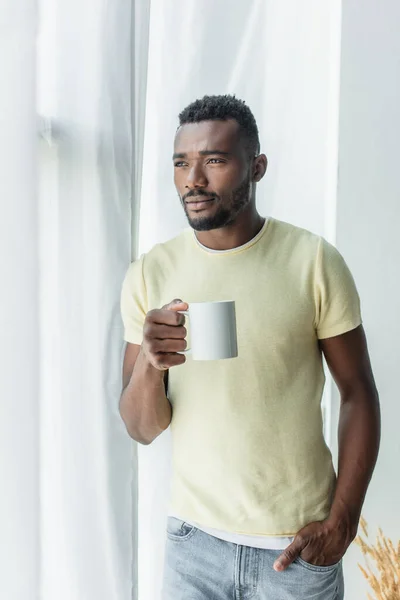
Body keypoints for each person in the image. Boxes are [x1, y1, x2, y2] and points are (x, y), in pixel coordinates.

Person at [119, 95, 381, 600]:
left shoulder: (313, 262)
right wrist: (152, 365)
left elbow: (357, 393)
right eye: (181, 162)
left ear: (256, 167)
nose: (193, 179)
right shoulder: (151, 273)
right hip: (193, 546)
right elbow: (140, 428)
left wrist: (343, 522)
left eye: (214, 160)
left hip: (298, 548)